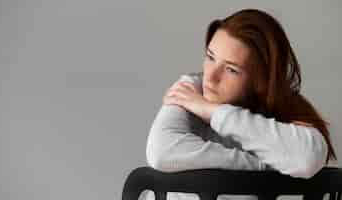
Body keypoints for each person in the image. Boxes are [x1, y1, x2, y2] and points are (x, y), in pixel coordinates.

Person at [139, 8, 337, 200]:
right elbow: (162, 151)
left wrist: (213, 112)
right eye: (210, 57)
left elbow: (306, 158)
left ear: (260, 81)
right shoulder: (190, 90)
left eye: (231, 70)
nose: (211, 77)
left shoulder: (282, 112)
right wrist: (261, 165)